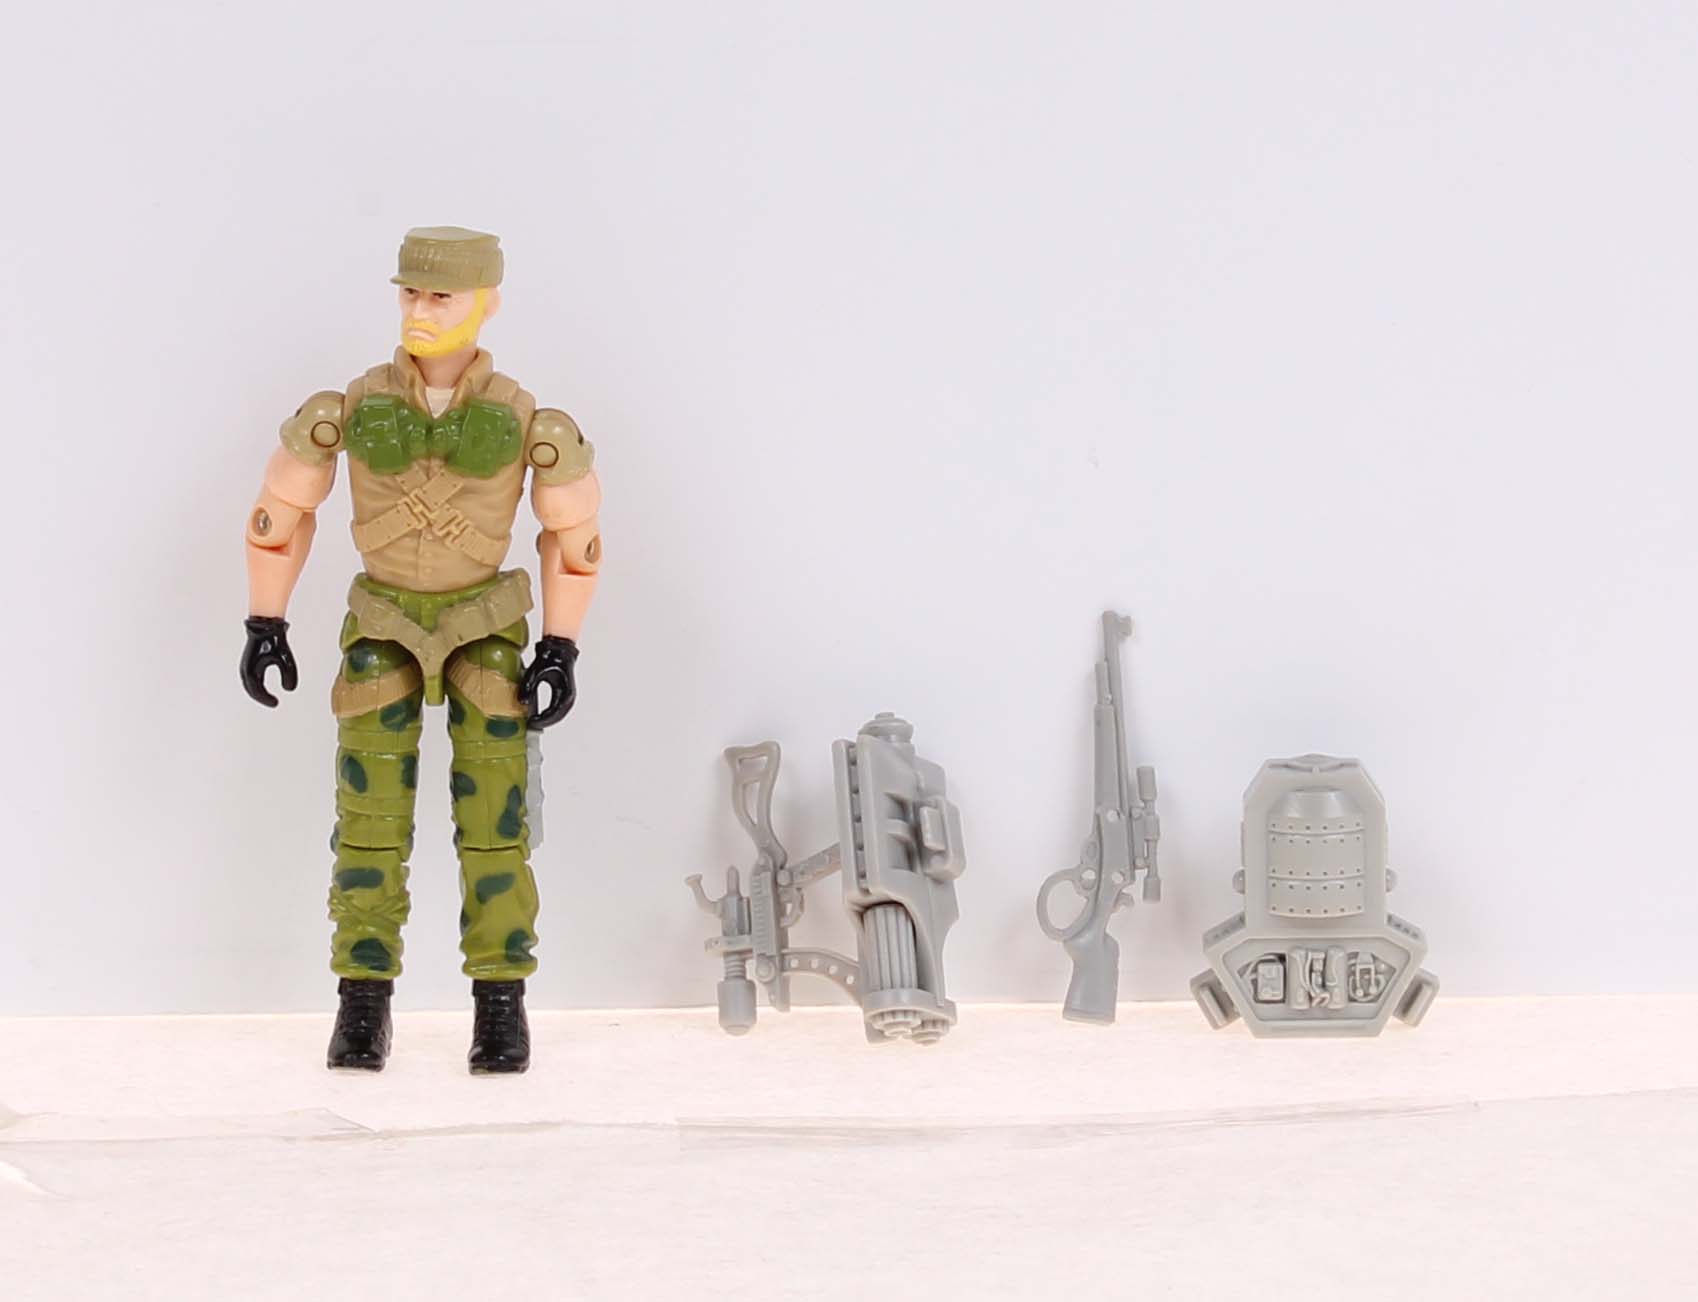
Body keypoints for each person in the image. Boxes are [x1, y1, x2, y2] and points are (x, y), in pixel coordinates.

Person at [239, 226, 602, 1074]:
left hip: (484, 629)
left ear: (486, 302)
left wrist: (560, 644)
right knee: (368, 829)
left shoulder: (528, 420)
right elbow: (281, 514)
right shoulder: (351, 407)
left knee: (496, 830)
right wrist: (266, 621)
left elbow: (573, 536)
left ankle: (500, 1003)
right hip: (384, 625)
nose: (421, 309)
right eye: (410, 291)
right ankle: (363, 1002)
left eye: (442, 295)